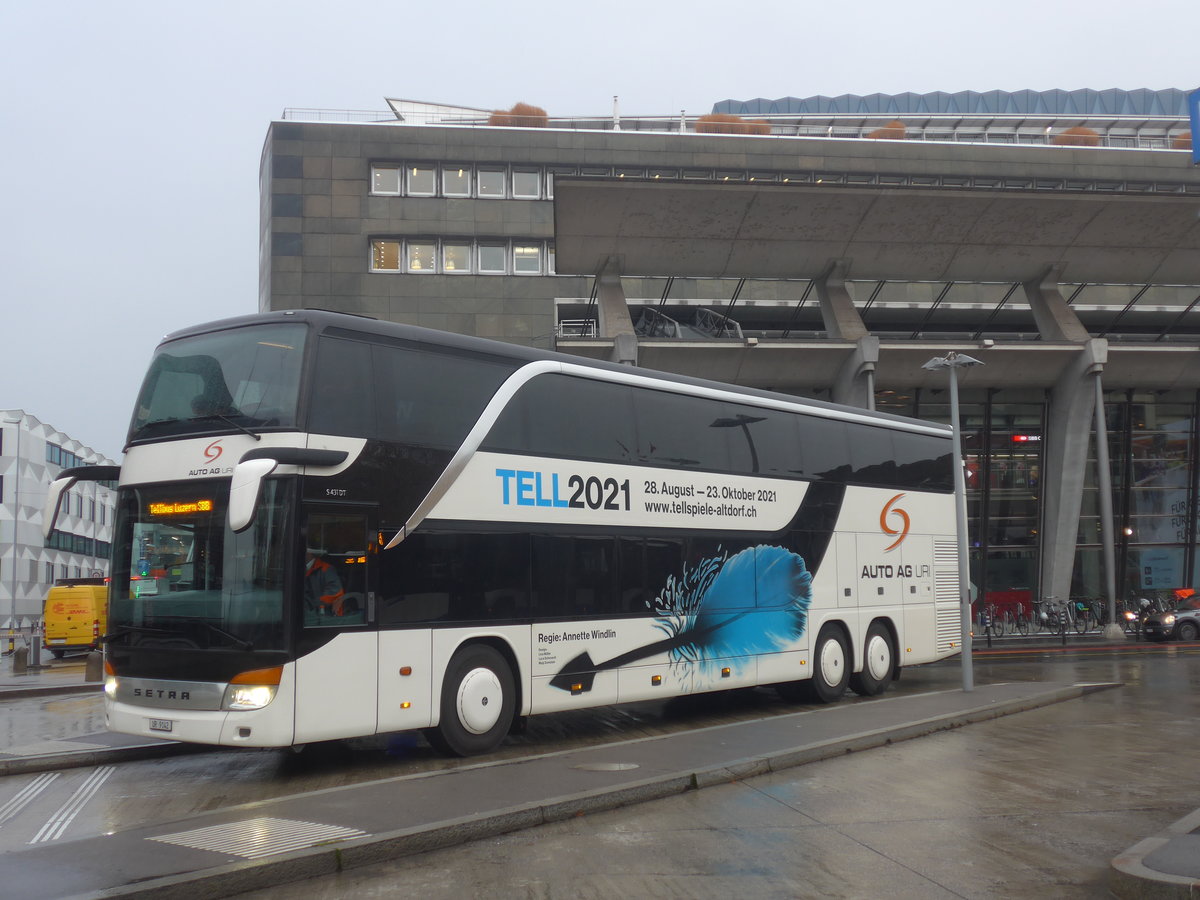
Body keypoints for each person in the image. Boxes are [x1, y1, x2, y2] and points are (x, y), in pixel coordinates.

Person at [304, 548, 346, 617]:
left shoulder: (326, 569)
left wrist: (312, 603)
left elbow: (334, 592)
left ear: (310, 553)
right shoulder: (297, 568)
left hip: (324, 616)